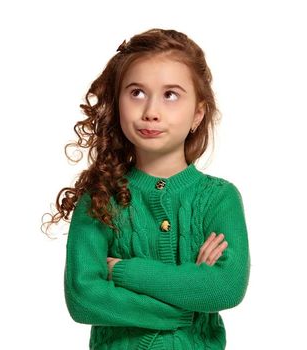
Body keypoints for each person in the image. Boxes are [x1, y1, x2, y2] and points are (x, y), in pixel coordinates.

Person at [46, 29, 250, 349]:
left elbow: (225, 289)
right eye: (137, 93)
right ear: (118, 103)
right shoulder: (99, 197)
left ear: (198, 113)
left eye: (171, 95)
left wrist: (124, 272)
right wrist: (186, 298)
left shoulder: (219, 199)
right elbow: (83, 299)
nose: (151, 111)